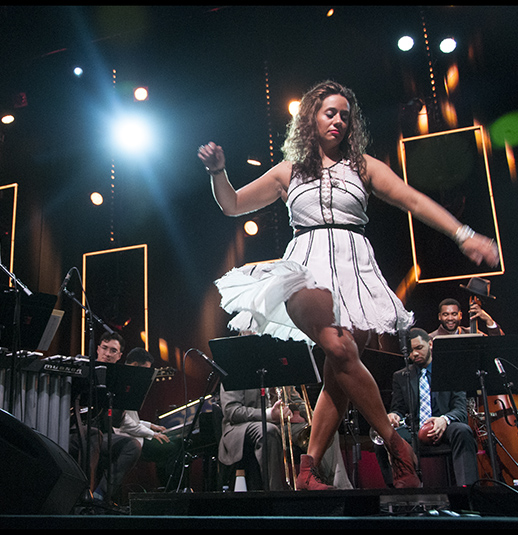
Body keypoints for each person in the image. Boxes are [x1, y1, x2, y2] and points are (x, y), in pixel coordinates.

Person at [198, 80, 499, 490]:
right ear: (311, 119)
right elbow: (232, 204)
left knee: (338, 374)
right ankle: (397, 444)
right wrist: (218, 171)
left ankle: (307, 470)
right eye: (330, 113)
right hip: (305, 269)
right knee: (339, 349)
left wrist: (464, 235)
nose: (338, 120)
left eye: (345, 115)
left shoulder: (364, 166)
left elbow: (413, 200)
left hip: (356, 274)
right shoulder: (288, 171)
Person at [375, 328, 479, 487]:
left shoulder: (450, 370)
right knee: (383, 439)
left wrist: (444, 420)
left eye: (419, 348)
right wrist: (394, 415)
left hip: (444, 426)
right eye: (411, 351)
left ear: (430, 344)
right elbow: (398, 409)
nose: (415, 354)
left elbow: (460, 410)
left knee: (463, 431)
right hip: (414, 429)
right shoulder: (400, 376)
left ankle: (468, 490)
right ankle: (396, 491)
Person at [218, 382, 353, 491]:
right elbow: (232, 411)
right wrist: (270, 414)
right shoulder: (236, 369)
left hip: (280, 423)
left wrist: (313, 418)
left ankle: (337, 488)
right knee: (268, 430)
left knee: (325, 430)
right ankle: (275, 493)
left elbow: (295, 400)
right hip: (241, 427)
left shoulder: (277, 366)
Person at [69, 331, 142, 505]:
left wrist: (122, 396)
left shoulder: (118, 380)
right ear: (98, 349)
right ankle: (82, 498)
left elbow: (115, 421)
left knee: (133, 445)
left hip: (100, 435)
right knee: (94, 435)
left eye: (113, 351)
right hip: (73, 432)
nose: (107, 354)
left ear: (120, 356)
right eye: (104, 348)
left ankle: (100, 495)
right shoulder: (81, 368)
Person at [115, 347, 183, 491]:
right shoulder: (121, 383)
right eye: (146, 370)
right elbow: (124, 423)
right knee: (173, 449)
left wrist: (152, 426)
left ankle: (165, 490)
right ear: (135, 365)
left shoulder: (128, 382)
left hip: (132, 433)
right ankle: (172, 492)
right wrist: (152, 434)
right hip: (126, 437)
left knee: (168, 445)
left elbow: (132, 420)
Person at [429, 296, 504, 340]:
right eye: (445, 315)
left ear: (460, 315)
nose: (450, 318)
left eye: (454, 314)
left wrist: (489, 320)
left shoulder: (471, 333)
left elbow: (497, 344)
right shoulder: (431, 338)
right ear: (439, 316)